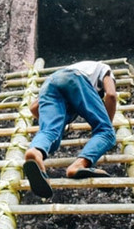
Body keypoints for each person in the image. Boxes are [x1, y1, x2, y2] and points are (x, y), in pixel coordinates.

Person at [22, 61, 118, 198]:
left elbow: (34, 107)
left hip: (49, 82)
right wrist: (106, 126)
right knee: (106, 133)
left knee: (51, 134)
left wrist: (59, 126)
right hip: (75, 79)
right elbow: (111, 95)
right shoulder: (104, 68)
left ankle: (35, 152)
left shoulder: (65, 72)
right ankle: (78, 165)